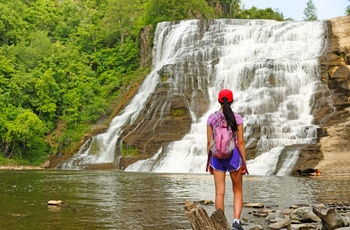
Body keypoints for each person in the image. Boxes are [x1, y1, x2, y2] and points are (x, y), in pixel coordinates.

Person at [206, 89, 247, 230]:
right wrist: (244, 163)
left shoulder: (211, 118)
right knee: (238, 191)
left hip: (217, 157)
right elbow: (240, 142)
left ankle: (220, 224)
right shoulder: (237, 118)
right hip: (234, 156)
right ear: (232, 101)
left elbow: (209, 142)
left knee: (219, 192)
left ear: (218, 101)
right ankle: (236, 222)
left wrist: (209, 162)